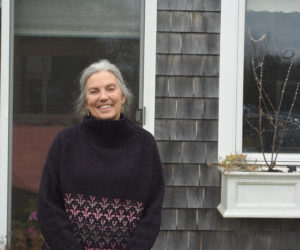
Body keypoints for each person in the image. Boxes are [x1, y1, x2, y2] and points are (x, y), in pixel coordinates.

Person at [37, 59, 165, 250]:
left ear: (123, 97)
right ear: (86, 102)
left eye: (110, 89)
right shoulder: (65, 143)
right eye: (94, 91)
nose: (103, 97)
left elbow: (152, 210)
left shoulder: (145, 144)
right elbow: (48, 206)